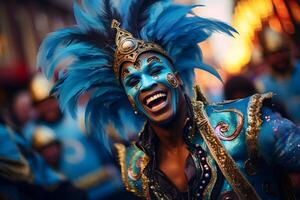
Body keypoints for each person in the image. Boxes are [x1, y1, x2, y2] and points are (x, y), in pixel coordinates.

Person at [37, 0, 300, 199]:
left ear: (175, 75)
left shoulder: (247, 124)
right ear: (129, 98)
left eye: (154, 70)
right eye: (133, 80)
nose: (147, 84)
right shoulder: (135, 170)